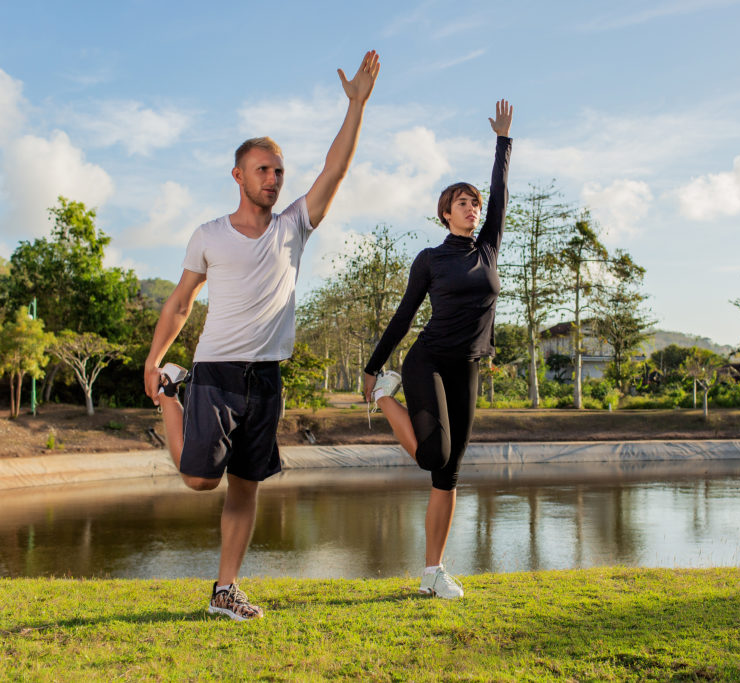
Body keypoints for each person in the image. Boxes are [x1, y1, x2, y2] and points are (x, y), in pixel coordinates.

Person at [143, 51, 380, 621]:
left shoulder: (294, 225)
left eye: (278, 171)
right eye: (263, 170)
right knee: (200, 479)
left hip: (266, 378)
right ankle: (170, 399)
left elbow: (335, 170)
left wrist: (356, 107)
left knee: (246, 485)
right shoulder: (208, 235)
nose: (273, 179)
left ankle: (225, 590)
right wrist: (156, 361)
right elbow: (180, 302)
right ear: (238, 176)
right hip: (217, 373)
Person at [363, 99, 513, 599]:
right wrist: (373, 369)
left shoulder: (488, 247)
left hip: (467, 365)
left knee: (448, 474)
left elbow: (502, 199)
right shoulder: (429, 259)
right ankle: (387, 396)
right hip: (426, 360)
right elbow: (404, 317)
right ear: (446, 213)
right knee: (434, 456)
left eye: (475, 201)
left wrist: (502, 141)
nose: (473, 207)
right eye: (463, 202)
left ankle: (432, 572)